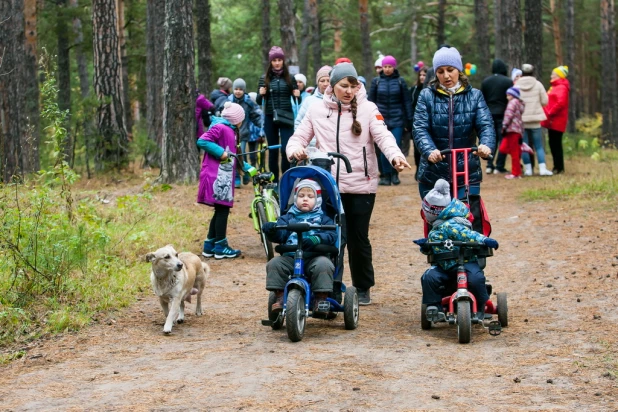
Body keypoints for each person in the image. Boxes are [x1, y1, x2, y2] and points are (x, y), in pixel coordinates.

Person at [286, 62, 411, 305]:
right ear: (332, 87)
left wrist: (396, 156)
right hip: (328, 185)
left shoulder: (368, 108)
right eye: (344, 85)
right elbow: (299, 136)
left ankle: (363, 287)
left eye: (353, 85)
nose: (349, 90)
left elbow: (384, 136)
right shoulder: (316, 110)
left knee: (357, 238)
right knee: (331, 238)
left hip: (361, 185)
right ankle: (330, 288)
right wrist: (296, 149)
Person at [412, 45, 495, 233]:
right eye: (440, 71)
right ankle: (439, 256)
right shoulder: (426, 96)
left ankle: (472, 256)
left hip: (466, 169)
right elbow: (420, 127)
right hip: (434, 169)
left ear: (459, 70)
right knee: (436, 221)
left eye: (450, 70)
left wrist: (486, 145)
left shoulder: (474, 96)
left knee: (468, 216)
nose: (446, 76)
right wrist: (429, 150)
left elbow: (486, 125)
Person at [414, 179, 499, 321]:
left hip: (466, 263)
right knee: (429, 276)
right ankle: (434, 306)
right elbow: (432, 248)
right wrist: (425, 246)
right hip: (444, 265)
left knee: (476, 279)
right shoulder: (436, 228)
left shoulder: (454, 225)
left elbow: (470, 235)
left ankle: (482, 303)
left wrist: (484, 240)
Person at [262, 179, 337, 315]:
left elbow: (332, 235)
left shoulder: (323, 219)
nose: (305, 200)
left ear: (318, 199)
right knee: (275, 263)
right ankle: (280, 297)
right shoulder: (287, 218)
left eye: (310, 196)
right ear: (295, 198)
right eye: (301, 196)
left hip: (314, 257)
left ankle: (321, 299)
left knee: (324, 265)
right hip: (291, 256)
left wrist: (317, 238)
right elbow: (281, 235)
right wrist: (272, 230)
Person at [197, 102, 245, 259]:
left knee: (220, 210)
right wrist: (221, 153)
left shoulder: (230, 130)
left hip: (223, 176)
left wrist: (247, 168)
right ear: (236, 119)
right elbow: (202, 141)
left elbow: (234, 155)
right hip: (216, 176)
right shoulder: (221, 127)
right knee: (222, 210)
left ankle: (210, 245)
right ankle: (221, 246)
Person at [257, 46, 301, 182]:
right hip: (270, 117)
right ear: (270, 62)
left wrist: (297, 95)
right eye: (274, 60)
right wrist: (261, 94)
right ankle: (274, 180)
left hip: (286, 117)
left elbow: (297, 100)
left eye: (279, 60)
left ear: (283, 61)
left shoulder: (290, 78)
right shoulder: (264, 79)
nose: (277, 63)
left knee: (286, 149)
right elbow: (259, 101)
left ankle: (286, 179)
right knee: (273, 150)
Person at [368, 55, 414, 186]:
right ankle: (386, 175)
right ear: (382, 67)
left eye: (390, 67)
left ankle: (395, 174)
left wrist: (408, 121)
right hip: (380, 121)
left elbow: (406, 101)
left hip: (398, 120)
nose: (387, 69)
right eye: (385, 67)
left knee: (396, 146)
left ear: (394, 67)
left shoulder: (401, 81)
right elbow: (371, 101)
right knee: (383, 148)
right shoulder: (376, 82)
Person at [518, 64, 552, 176]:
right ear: (533, 72)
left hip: (522, 120)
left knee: (524, 145)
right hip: (535, 120)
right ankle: (542, 168)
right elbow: (545, 101)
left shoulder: (517, 85)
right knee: (538, 145)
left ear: (522, 73)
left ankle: (528, 170)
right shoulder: (538, 85)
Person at [481, 59, 513, 174]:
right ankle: (499, 166)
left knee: (491, 139)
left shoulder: (486, 81)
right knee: (503, 140)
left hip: (489, 113)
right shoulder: (508, 81)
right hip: (503, 114)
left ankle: (489, 165)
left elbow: (482, 99)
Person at [228, 78, 263, 185]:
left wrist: (262, 129)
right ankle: (237, 178)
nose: (238, 91)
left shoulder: (248, 102)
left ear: (244, 90)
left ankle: (246, 174)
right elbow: (223, 114)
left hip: (243, 134)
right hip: (230, 133)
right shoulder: (228, 101)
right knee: (234, 156)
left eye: (240, 89)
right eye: (236, 89)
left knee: (240, 155)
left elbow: (256, 116)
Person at [542, 65, 570, 174]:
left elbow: (560, 103)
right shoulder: (555, 87)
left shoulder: (562, 87)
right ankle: (556, 166)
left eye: (553, 74)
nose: (551, 75)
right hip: (552, 120)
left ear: (559, 76)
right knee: (553, 144)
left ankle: (559, 168)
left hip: (557, 120)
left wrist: (550, 112)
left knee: (556, 144)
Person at [499, 87, 526, 179]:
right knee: (504, 148)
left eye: (509, 95)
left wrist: (504, 126)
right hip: (517, 130)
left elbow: (508, 115)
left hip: (512, 130)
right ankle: (517, 170)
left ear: (514, 95)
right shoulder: (519, 104)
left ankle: (516, 173)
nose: (507, 97)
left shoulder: (512, 103)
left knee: (514, 152)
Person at [294, 65, 332, 130]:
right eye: (322, 81)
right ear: (317, 83)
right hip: (312, 139)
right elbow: (299, 122)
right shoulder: (309, 100)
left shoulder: (338, 100)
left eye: (328, 81)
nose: (325, 84)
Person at [410, 65, 429, 180]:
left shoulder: (431, 90)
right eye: (420, 75)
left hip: (429, 123)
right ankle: (418, 168)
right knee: (417, 149)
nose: (422, 77)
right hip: (416, 123)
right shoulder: (414, 90)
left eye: (424, 75)